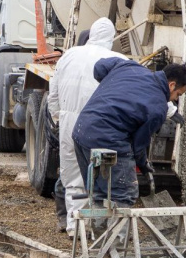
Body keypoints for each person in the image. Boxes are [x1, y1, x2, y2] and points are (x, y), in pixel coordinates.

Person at [72, 59, 186, 211]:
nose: (175, 99)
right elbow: (138, 144)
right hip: (108, 140)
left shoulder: (130, 66)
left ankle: (100, 233)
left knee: (99, 193)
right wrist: (143, 164)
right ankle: (116, 235)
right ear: (171, 85)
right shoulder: (158, 108)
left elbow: (100, 67)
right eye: (178, 94)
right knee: (122, 194)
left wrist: (113, 88)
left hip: (81, 132)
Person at [47, 18, 126, 237]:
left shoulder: (69, 55)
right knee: (102, 176)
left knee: (72, 177)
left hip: (69, 122)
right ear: (111, 37)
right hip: (100, 125)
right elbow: (132, 93)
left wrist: (57, 117)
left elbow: (53, 93)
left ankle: (75, 227)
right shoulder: (117, 59)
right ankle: (101, 228)